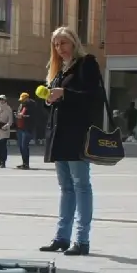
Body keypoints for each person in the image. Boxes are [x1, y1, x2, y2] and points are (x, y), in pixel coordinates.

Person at [39, 26, 100, 257]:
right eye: (56, 44)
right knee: (66, 187)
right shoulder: (58, 70)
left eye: (63, 43)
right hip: (60, 134)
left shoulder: (87, 63)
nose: (60, 48)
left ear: (74, 43)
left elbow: (93, 96)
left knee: (81, 186)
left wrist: (65, 94)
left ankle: (81, 240)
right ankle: (62, 237)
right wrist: (50, 99)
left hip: (78, 134)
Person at [14, 93, 34, 169]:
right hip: (20, 128)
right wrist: (17, 115)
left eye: (23, 100)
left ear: (27, 98)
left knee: (24, 146)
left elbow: (32, 117)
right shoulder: (21, 105)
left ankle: (26, 164)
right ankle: (24, 163)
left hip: (27, 128)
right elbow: (20, 114)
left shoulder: (31, 106)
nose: (22, 101)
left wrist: (22, 116)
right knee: (21, 146)